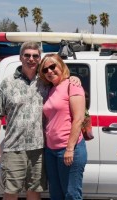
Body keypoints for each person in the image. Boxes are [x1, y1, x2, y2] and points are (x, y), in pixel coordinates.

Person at [0, 42, 80, 200]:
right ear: (21, 57)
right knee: (11, 191)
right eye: (27, 55)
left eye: (35, 56)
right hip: (13, 148)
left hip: (39, 148)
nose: (31, 59)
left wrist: (74, 77)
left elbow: (63, 82)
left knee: (34, 191)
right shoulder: (7, 83)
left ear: (39, 59)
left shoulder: (46, 81)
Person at [39, 53, 87, 200]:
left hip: (68, 149)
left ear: (61, 66)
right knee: (56, 195)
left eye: (53, 67)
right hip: (51, 151)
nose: (49, 71)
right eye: (45, 69)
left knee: (71, 195)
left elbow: (78, 119)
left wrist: (69, 149)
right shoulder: (51, 89)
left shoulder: (72, 85)